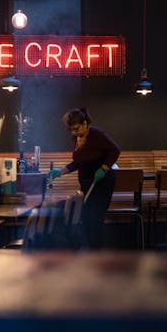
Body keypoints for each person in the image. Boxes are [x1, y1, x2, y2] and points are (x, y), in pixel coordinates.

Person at [50, 107, 120, 249]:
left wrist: (104, 168)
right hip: (87, 182)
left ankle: (97, 255)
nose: (74, 133)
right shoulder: (76, 139)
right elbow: (78, 162)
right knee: (87, 218)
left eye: (76, 129)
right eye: (71, 130)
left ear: (85, 123)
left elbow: (115, 150)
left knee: (95, 218)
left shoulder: (97, 135)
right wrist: (60, 172)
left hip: (102, 183)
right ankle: (90, 253)